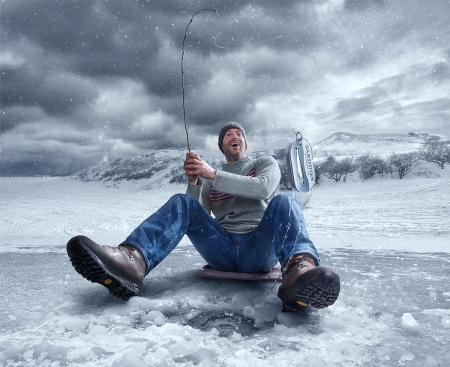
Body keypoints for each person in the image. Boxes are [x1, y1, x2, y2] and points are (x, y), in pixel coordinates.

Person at [67, 122, 340, 312]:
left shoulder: (263, 163)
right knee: (182, 202)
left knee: (286, 199)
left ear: (244, 142)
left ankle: (299, 269)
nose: (235, 137)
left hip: (259, 248)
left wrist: (212, 174)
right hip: (221, 248)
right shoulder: (210, 175)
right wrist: (196, 182)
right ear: (222, 145)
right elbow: (195, 213)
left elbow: (264, 188)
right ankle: (132, 262)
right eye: (228, 135)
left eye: (239, 134)